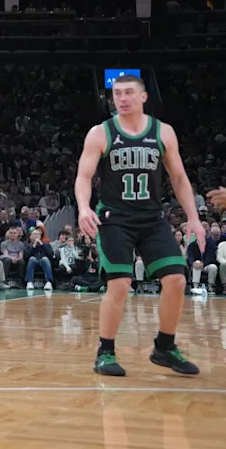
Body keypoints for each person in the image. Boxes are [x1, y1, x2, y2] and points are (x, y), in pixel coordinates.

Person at [75, 74, 200, 377]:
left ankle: (165, 347)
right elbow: (84, 176)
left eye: (129, 92)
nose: (122, 98)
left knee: (177, 279)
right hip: (115, 219)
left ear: (143, 97)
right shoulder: (100, 133)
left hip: (152, 217)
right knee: (119, 284)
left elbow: (179, 178)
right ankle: (105, 352)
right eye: (117, 93)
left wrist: (194, 216)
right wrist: (82, 207)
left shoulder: (163, 132)